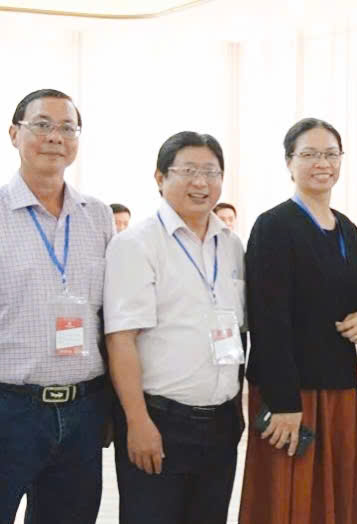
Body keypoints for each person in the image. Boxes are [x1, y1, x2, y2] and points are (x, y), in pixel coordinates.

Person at [239, 118, 357, 524]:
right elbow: (267, 319)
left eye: (331, 154)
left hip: (338, 387)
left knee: (335, 496)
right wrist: (283, 401)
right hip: (290, 392)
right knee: (287, 500)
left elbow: (356, 296)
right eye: (310, 154)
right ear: (289, 162)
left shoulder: (347, 228)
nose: (322, 163)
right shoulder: (273, 226)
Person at [104, 131, 245, 524]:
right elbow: (121, 339)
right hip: (160, 421)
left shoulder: (231, 245)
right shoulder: (137, 244)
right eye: (188, 171)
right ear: (160, 177)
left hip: (221, 423)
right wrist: (137, 422)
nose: (201, 182)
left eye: (211, 172)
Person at [0, 88, 113, 524]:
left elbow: (109, 316)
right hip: (10, 407)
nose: (55, 136)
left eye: (67, 127)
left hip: (84, 409)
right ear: (14, 134)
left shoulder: (97, 215)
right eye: (42, 125)